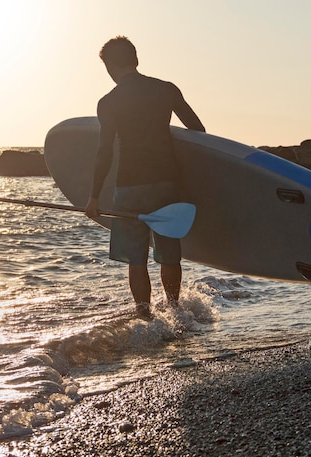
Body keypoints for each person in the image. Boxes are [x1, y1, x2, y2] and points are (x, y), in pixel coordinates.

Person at [85, 36, 205, 319]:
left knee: (136, 260)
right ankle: (176, 313)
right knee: (169, 254)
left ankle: (145, 318)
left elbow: (104, 153)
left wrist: (93, 196)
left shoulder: (109, 102)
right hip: (166, 182)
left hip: (129, 186)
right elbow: (198, 132)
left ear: (109, 67)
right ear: (136, 60)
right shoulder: (166, 90)